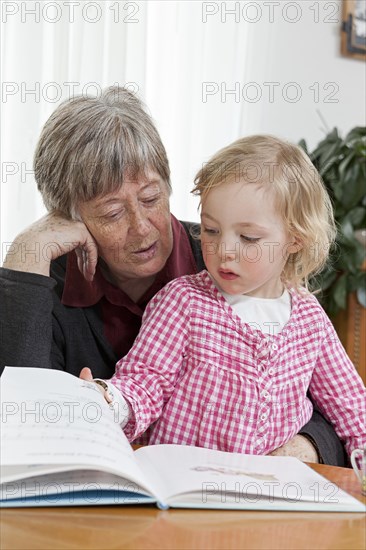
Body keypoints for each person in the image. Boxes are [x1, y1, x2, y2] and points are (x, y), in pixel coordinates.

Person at [0, 86, 344, 464]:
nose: (143, 228)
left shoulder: (239, 262)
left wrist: (303, 448)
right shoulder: (45, 288)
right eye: (113, 213)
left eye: (151, 198)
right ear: (68, 217)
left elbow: (330, 404)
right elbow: (16, 424)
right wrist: (24, 255)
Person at [81, 134, 366, 460]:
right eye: (211, 230)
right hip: (181, 488)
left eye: (248, 237)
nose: (224, 251)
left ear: (295, 239)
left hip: (272, 496)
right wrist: (107, 400)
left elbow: (352, 406)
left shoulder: (310, 320)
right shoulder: (183, 302)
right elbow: (146, 382)